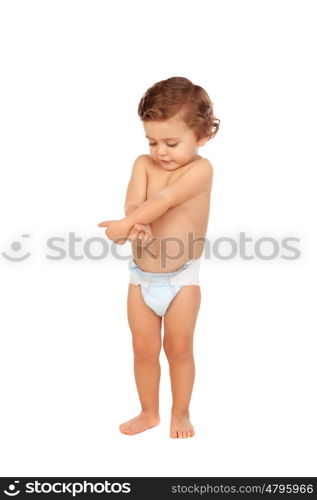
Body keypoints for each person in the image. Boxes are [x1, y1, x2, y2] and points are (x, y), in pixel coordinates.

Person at [98, 76, 220, 438]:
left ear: (202, 137)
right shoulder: (143, 164)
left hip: (181, 279)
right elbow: (137, 201)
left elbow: (164, 201)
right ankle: (148, 412)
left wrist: (123, 226)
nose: (160, 151)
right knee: (143, 349)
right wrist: (135, 223)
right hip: (141, 277)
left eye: (171, 142)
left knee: (178, 349)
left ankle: (180, 413)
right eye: (152, 141)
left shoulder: (200, 169)